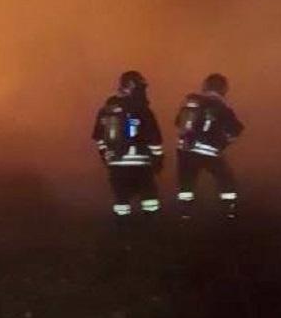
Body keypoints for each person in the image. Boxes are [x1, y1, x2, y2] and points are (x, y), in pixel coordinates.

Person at [92, 70, 164, 218]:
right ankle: (153, 232)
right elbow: (154, 139)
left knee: (121, 200)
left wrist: (108, 158)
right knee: (149, 200)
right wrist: (158, 160)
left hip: (116, 164)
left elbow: (99, 138)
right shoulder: (142, 110)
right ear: (133, 86)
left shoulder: (106, 110)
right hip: (141, 165)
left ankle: (122, 231)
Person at [174, 73, 245, 217]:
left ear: (205, 86)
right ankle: (229, 211)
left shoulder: (191, 102)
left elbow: (177, 122)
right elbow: (236, 128)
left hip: (186, 150)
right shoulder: (221, 104)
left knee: (186, 183)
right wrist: (224, 142)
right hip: (210, 151)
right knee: (226, 180)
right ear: (223, 89)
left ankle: (185, 213)